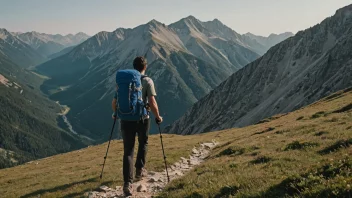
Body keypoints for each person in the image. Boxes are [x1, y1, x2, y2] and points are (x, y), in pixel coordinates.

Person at [112, 56, 163, 196]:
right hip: (142, 118)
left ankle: (127, 184)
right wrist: (158, 116)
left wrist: (115, 113)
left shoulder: (125, 81)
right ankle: (140, 169)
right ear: (145, 67)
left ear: (133, 67)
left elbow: (114, 102)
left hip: (126, 119)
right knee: (143, 142)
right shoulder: (147, 81)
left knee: (128, 151)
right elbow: (152, 102)